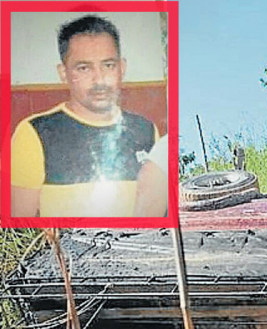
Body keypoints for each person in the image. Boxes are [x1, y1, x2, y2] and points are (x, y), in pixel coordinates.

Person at [10, 15, 160, 218]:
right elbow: (20, 226)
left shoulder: (147, 130)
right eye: (84, 68)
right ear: (64, 73)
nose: (99, 80)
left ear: (122, 68)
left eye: (108, 65)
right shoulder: (34, 133)